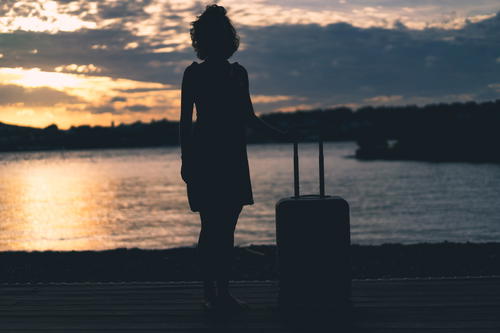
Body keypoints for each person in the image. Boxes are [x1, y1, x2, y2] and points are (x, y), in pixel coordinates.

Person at [179, 4, 293, 311]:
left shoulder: (234, 73)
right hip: (214, 156)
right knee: (217, 227)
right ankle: (212, 293)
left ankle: (218, 292)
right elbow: (186, 122)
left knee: (220, 226)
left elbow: (248, 117)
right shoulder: (196, 74)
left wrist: (280, 134)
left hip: (223, 156)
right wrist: (186, 161)